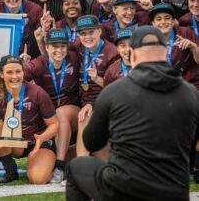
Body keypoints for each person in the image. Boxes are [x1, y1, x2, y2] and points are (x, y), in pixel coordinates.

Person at [65, 25, 199, 201]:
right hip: (174, 193)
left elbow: (91, 142)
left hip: (123, 190)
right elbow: (193, 141)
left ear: (132, 55)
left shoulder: (114, 91)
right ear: (165, 51)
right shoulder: (191, 93)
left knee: (76, 166)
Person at [0, 55, 59, 184]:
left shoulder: (37, 92)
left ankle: (55, 162)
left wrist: (42, 138)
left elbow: (54, 124)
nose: (15, 76)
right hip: (15, 143)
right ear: (1, 74)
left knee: (38, 179)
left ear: (23, 72)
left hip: (38, 143)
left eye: (18, 71)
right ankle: (11, 170)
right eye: (9, 72)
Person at [23, 29, 79, 183]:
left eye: (62, 46)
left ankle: (60, 166)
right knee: (38, 178)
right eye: (54, 46)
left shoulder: (75, 58)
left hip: (73, 115)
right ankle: (67, 153)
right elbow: (17, 77)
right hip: (49, 122)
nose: (59, 50)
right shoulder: (39, 63)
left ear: (67, 48)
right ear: (46, 47)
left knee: (61, 112)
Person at [72, 15, 119, 157]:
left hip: (105, 102)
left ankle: (80, 166)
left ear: (99, 31)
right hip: (81, 101)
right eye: (83, 33)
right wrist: (40, 41)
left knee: (84, 118)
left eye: (91, 32)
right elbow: (55, 52)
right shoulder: (76, 46)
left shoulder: (113, 52)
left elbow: (116, 89)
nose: (87, 37)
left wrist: (97, 80)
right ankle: (64, 164)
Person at [150, 3, 199, 83]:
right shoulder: (149, 41)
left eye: (167, 18)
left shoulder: (185, 33)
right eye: (158, 19)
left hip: (190, 85)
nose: (163, 22)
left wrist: (193, 47)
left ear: (173, 21)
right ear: (153, 24)